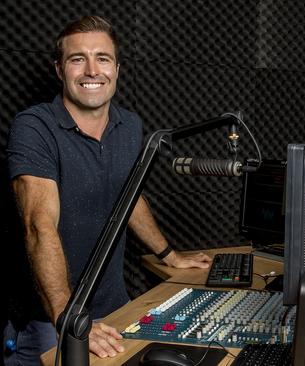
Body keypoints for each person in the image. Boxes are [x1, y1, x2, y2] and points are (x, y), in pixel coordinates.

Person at [4, 15, 212, 365]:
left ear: (116, 68)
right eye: (77, 59)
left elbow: (129, 198)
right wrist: (68, 320)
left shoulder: (129, 125)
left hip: (116, 310)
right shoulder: (34, 127)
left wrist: (169, 255)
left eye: (102, 58)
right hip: (51, 320)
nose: (91, 70)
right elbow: (38, 226)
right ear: (59, 69)